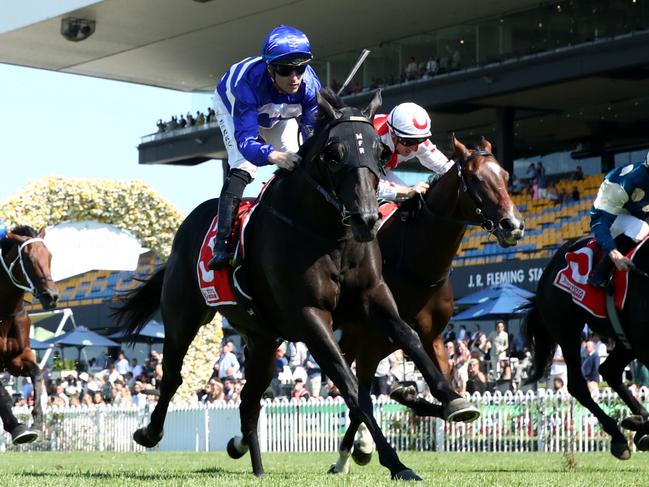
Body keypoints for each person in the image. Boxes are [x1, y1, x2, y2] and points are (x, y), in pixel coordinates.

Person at [208, 25, 322, 270]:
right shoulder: (246, 87)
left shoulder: (310, 86)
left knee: (298, 160)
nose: (294, 77)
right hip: (236, 106)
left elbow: (310, 133)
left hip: (277, 111)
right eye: (285, 70)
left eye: (300, 68)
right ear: (271, 68)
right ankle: (222, 243)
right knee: (244, 166)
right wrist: (272, 155)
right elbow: (247, 142)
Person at [588, 152, 649, 287]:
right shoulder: (624, 183)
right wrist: (615, 255)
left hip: (634, 211)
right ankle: (600, 274)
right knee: (643, 229)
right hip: (609, 217)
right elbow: (600, 222)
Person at [373, 102, 453, 201]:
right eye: (408, 141)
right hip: (353, 175)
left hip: (381, 172)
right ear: (393, 134)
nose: (413, 147)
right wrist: (407, 191)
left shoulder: (415, 137)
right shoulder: (372, 139)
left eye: (420, 140)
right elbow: (363, 183)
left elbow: (446, 168)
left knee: (409, 202)